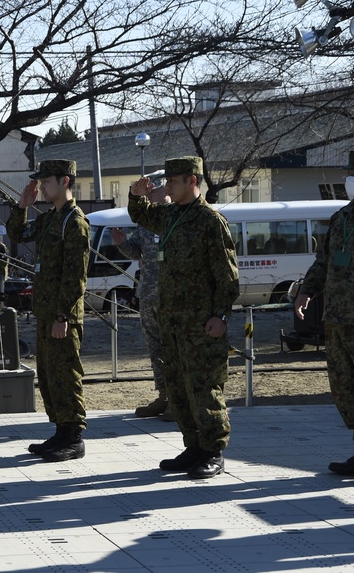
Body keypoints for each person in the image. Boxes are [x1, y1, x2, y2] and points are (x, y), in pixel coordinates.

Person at [128, 156, 239, 480]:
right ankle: (193, 446)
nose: (167, 187)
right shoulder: (171, 216)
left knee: (205, 389)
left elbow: (227, 276)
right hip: (173, 324)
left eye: (173, 182)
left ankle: (213, 451)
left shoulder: (210, 221)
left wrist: (220, 315)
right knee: (178, 389)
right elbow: (142, 215)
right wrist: (135, 195)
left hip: (201, 325)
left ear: (192, 181)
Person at [295, 149, 354, 485]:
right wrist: (306, 291)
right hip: (338, 320)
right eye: (349, 172)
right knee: (347, 390)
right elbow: (324, 261)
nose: (350, 179)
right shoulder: (343, 217)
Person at [6, 159, 90, 463]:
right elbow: (17, 234)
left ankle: (73, 437)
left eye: (46, 181)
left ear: (64, 181)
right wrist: (22, 205)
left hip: (61, 317)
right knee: (49, 375)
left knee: (66, 375)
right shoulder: (50, 219)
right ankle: (60, 430)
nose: (40, 186)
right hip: (46, 313)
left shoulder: (74, 221)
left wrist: (62, 316)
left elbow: (75, 276)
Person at [111, 175, 174, 421]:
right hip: (148, 294)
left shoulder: (174, 217)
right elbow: (137, 250)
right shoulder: (147, 220)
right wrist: (122, 244)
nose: (147, 195)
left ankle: (177, 401)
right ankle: (164, 396)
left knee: (172, 350)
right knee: (155, 349)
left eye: (151, 190)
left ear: (164, 190)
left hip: (171, 297)